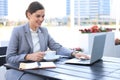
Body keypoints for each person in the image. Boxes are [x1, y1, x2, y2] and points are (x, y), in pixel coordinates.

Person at [5, 1, 89, 80]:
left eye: (43, 16)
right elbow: (9, 58)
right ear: (29, 15)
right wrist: (28, 56)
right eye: (38, 16)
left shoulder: (44, 31)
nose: (41, 19)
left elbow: (57, 47)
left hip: (39, 69)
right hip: (19, 71)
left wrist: (74, 53)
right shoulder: (18, 31)